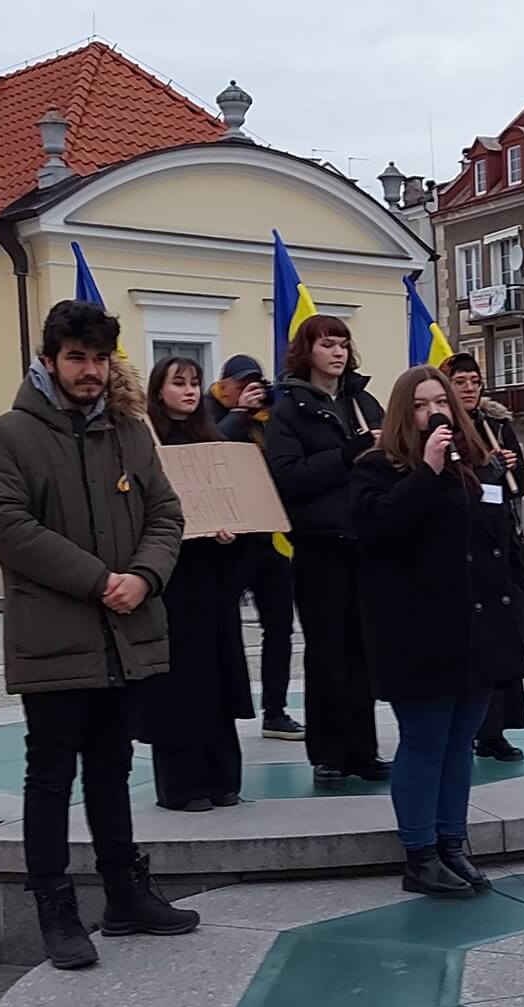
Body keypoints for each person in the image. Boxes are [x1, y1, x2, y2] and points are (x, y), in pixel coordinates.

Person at [0, 299, 199, 971]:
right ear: (49, 361)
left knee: (112, 768)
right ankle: (55, 905)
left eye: (101, 359)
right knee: (50, 777)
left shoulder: (130, 431)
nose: (90, 371)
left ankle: (125, 894)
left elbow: (166, 512)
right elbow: (7, 526)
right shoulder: (12, 433)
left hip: (125, 632)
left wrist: (145, 577)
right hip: (55, 638)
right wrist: (99, 579)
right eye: (76, 358)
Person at [351, 367, 524, 897]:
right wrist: (425, 473)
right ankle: (419, 854)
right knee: (426, 741)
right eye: (421, 404)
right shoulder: (377, 468)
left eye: (443, 401)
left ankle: (453, 844)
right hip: (419, 631)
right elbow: (377, 531)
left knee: (460, 744)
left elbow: (501, 539)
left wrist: (516, 602)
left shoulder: (482, 466)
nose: (435, 412)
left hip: (481, 627)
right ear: (403, 413)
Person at [265, 314, 390, 785]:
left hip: (365, 541)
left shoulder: (365, 402)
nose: (337, 353)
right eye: (326, 345)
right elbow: (288, 478)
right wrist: (347, 454)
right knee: (326, 653)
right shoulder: (290, 410)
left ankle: (365, 749)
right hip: (319, 545)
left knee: (363, 652)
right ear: (306, 352)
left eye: (342, 344)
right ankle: (329, 752)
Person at [142, 356, 255, 811]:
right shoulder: (146, 444)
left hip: (212, 577)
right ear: (158, 391)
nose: (189, 391)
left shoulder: (215, 438)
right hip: (172, 580)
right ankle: (182, 785)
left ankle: (223, 777)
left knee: (218, 679)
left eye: (194, 383)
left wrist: (231, 531)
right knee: (179, 685)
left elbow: (236, 500)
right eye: (178, 383)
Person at [206, 353, 302, 741]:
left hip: (269, 536)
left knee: (279, 625)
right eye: (242, 383)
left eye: (256, 383)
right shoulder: (210, 410)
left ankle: (275, 711)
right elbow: (210, 449)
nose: (251, 390)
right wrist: (239, 414)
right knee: (222, 626)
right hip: (227, 540)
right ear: (224, 385)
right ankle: (223, 705)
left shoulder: (270, 417)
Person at [443, 354, 524, 764]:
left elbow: (520, 486)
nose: (468, 388)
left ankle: (496, 730)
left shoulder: (496, 425)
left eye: (474, 380)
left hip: (504, 537)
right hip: (464, 542)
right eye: (459, 381)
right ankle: (474, 727)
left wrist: (512, 468)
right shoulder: (443, 430)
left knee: (510, 633)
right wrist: (485, 472)